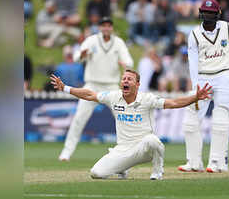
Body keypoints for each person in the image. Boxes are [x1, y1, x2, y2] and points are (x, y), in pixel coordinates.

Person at [50, 69, 213, 180]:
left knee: (152, 140)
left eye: (129, 79)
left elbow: (173, 102)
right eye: (124, 79)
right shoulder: (113, 96)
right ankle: (122, 167)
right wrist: (65, 88)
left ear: (137, 84)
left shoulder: (147, 99)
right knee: (96, 173)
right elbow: (90, 94)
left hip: (144, 149)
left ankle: (157, 171)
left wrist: (195, 98)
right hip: (122, 149)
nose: (125, 81)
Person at [178, 0, 229, 173]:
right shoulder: (194, 34)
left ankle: (216, 162)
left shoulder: (228, 28)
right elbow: (193, 62)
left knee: (220, 118)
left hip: (225, 75)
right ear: (201, 13)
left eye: (212, 13)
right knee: (191, 119)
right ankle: (194, 162)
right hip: (203, 78)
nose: (209, 16)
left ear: (218, 13)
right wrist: (196, 85)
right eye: (206, 12)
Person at [58, 17, 134, 161]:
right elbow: (76, 57)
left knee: (123, 119)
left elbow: (128, 60)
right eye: (103, 25)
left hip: (111, 86)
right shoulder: (91, 40)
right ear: (100, 27)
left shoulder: (118, 43)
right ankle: (66, 152)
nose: (106, 28)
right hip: (92, 85)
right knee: (79, 118)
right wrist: (82, 55)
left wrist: (126, 64)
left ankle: (129, 151)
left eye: (109, 26)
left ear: (112, 28)